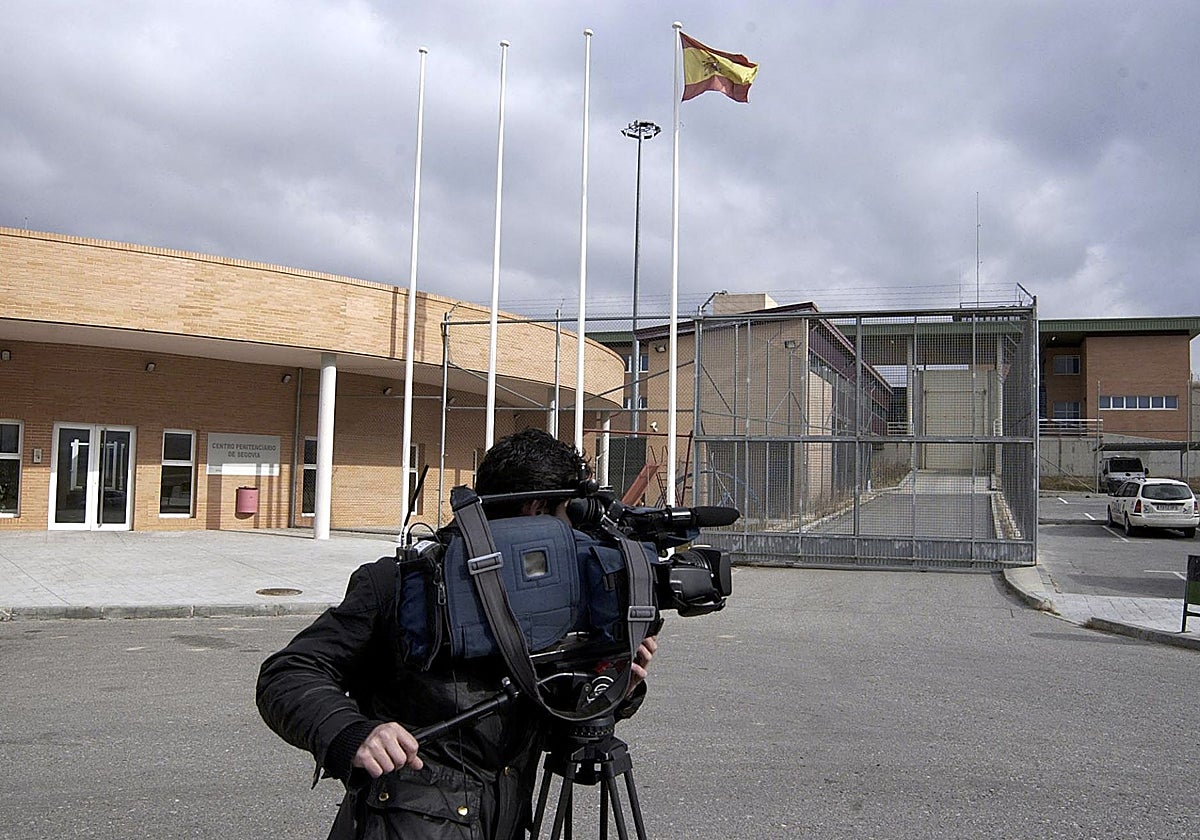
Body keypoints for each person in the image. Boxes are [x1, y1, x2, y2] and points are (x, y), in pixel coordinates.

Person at [256, 428, 657, 840]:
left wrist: (611, 688)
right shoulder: (403, 585)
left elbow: (552, 723)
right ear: (536, 511)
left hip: (501, 822)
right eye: (567, 517)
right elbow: (286, 674)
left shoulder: (560, 604)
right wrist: (353, 732)